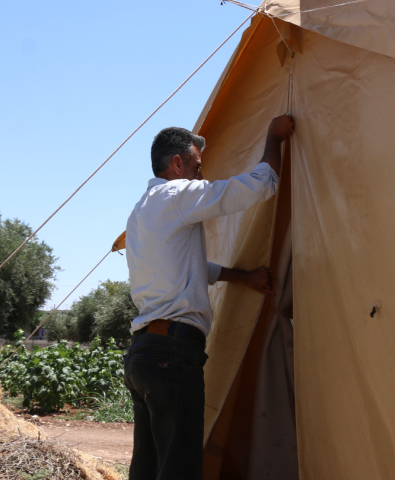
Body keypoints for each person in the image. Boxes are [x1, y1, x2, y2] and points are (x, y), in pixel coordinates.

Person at [123, 114, 294, 480]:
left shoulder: (141, 212)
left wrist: (242, 277)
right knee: (180, 470)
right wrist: (272, 138)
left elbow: (190, 266)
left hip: (143, 355)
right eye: (197, 166)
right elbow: (256, 185)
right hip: (172, 355)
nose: (201, 175)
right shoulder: (177, 194)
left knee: (148, 469)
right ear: (178, 164)